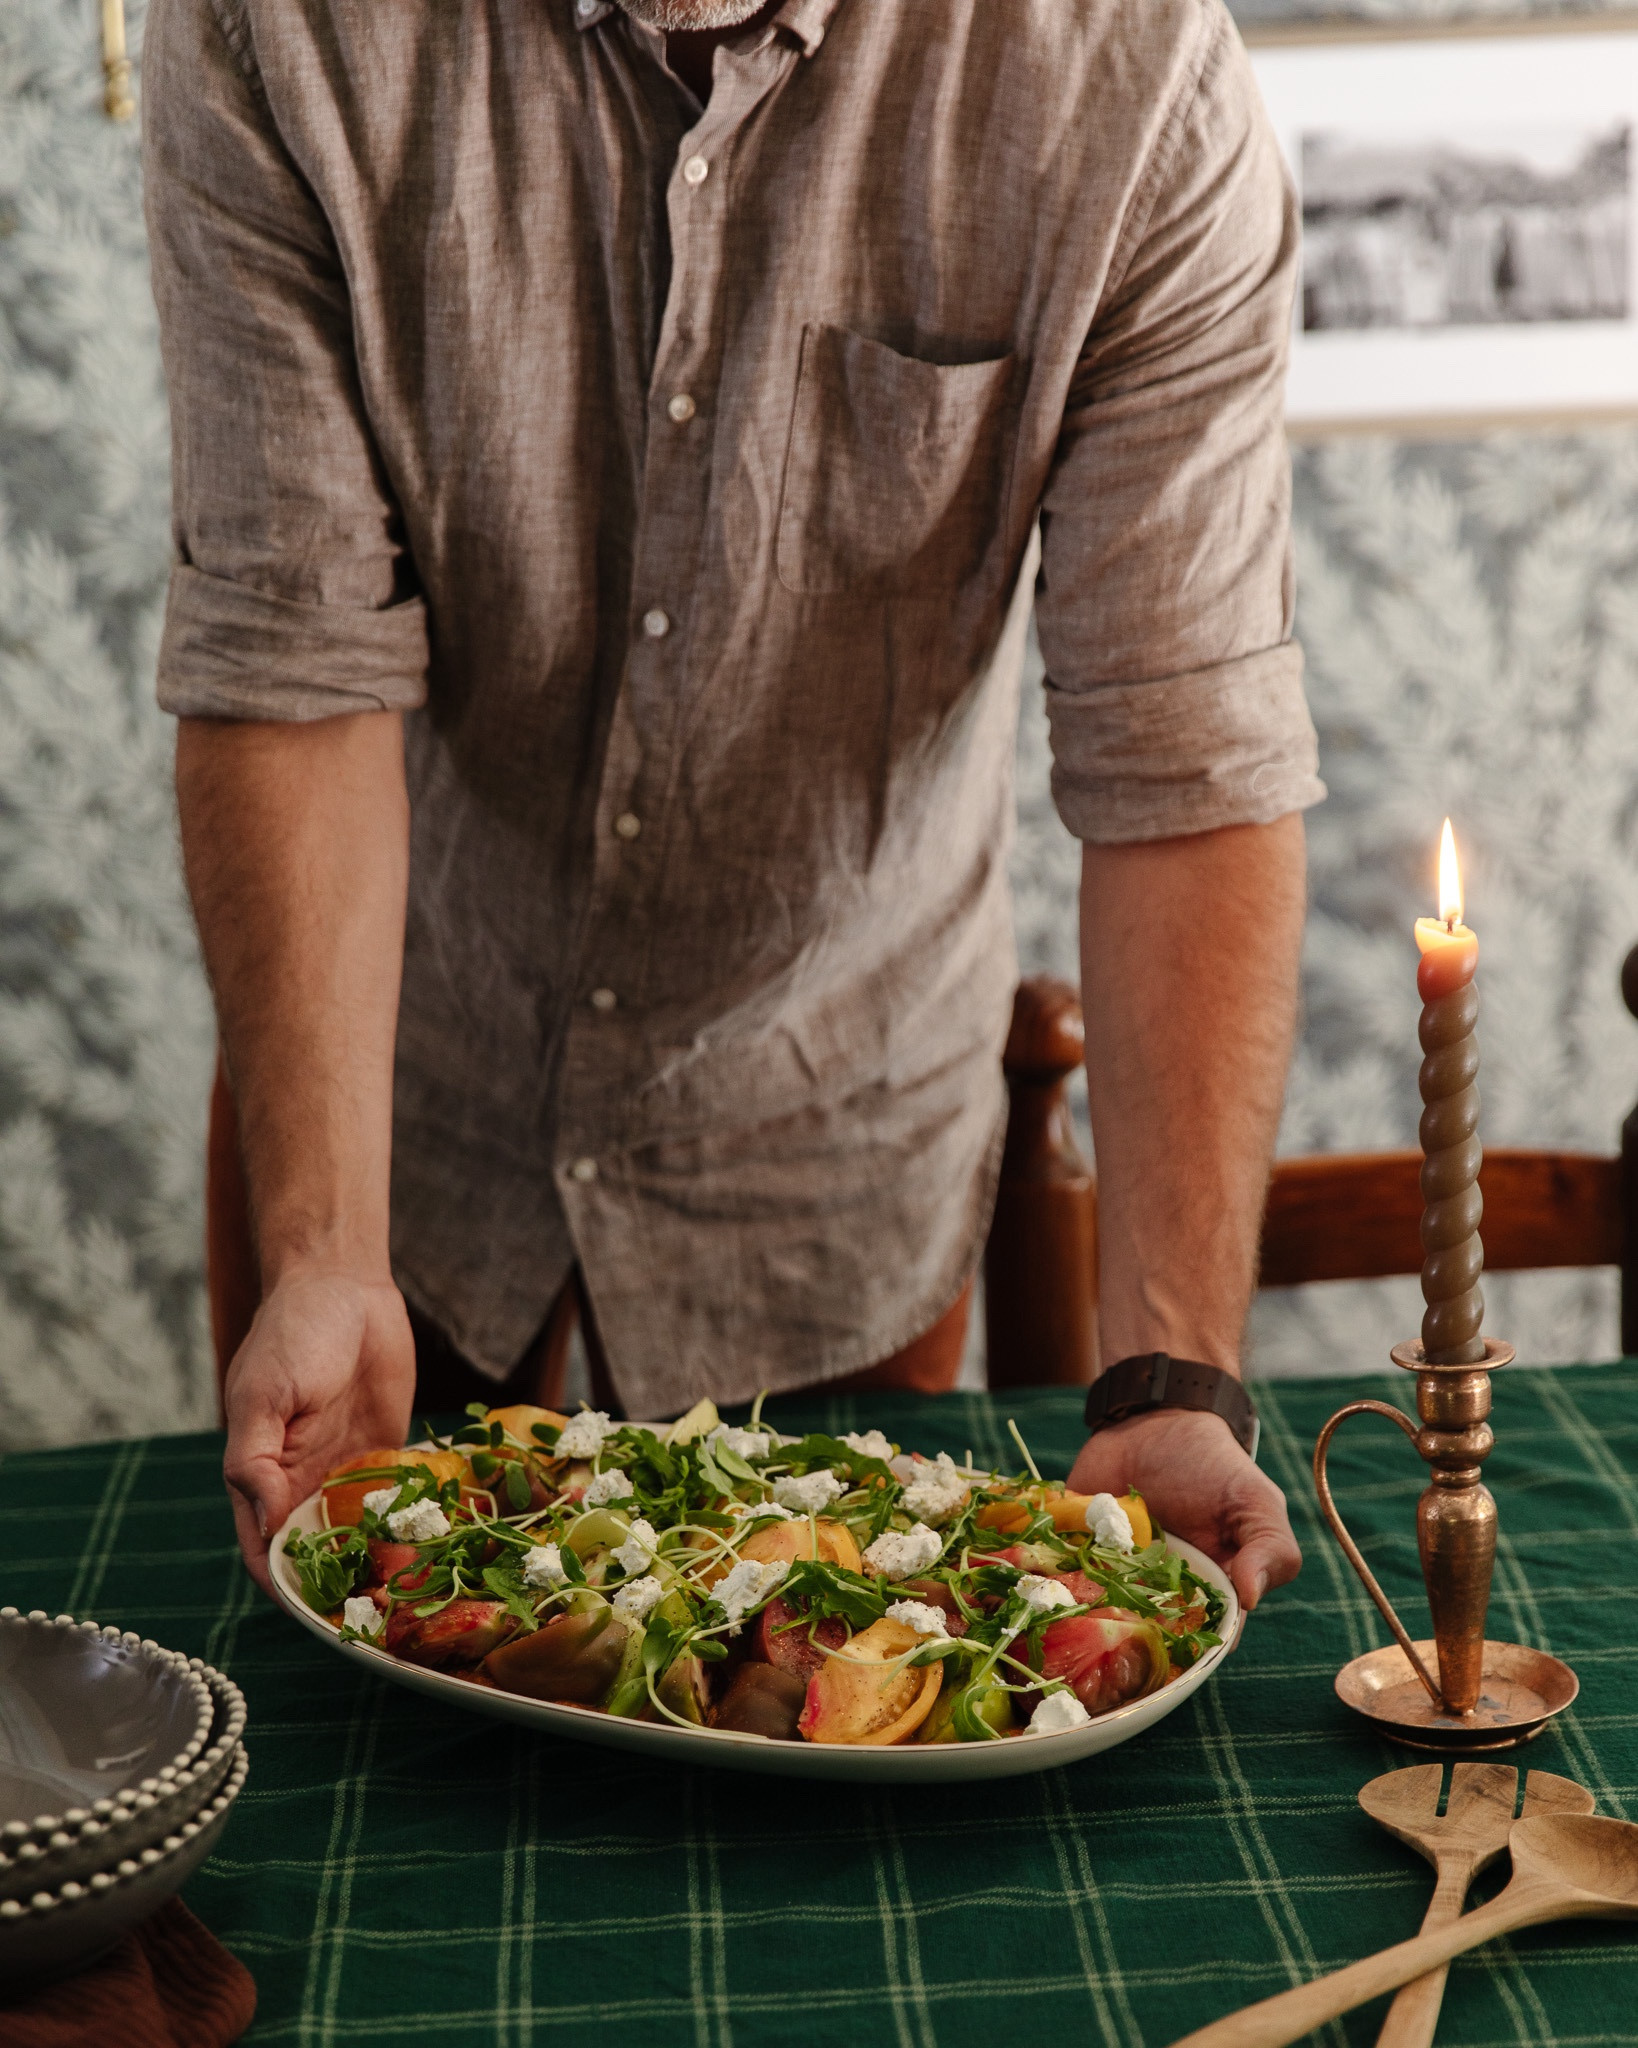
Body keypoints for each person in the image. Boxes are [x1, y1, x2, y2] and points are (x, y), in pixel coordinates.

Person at [143, 0, 1322, 1609]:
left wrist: (1172, 1378)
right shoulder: (267, 25)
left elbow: (1182, 764)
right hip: (385, 1117)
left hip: (827, 1154)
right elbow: (290, 667)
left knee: (820, 1758)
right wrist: (323, 1248)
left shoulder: (1131, 72)